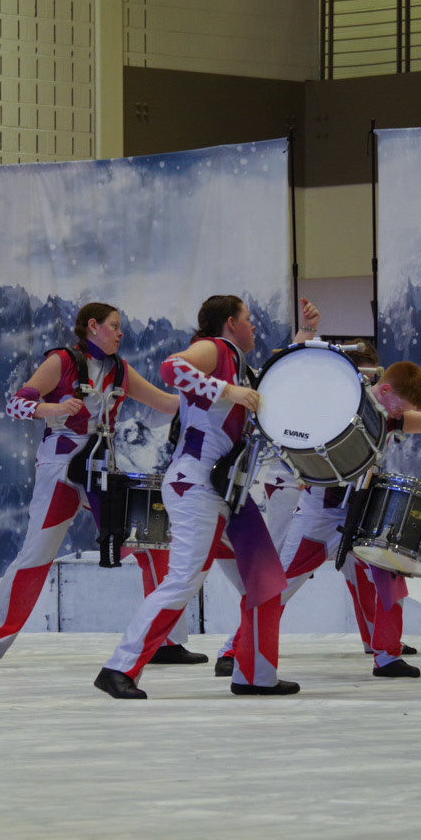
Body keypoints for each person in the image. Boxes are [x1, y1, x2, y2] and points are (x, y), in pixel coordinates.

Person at [253, 348, 421, 678]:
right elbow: (295, 430)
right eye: (400, 407)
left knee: (391, 577)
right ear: (383, 391)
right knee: (281, 584)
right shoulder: (339, 405)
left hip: (363, 511)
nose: (401, 416)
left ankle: (387, 655)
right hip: (320, 512)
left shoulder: (391, 415)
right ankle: (237, 650)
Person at [0, 302, 191, 668]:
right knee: (36, 554)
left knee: (155, 542)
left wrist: (216, 399)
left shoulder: (120, 369)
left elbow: (166, 403)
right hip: (63, 465)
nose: (120, 332)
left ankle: (166, 641)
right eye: (114, 325)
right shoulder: (62, 361)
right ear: (93, 326)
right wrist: (53, 409)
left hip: (104, 468)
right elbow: (16, 405)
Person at [95, 294, 292, 699]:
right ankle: (118, 668)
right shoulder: (215, 348)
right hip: (198, 486)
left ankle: (256, 676)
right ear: (231, 323)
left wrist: (305, 335)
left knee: (266, 582)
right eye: (248, 318)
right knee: (183, 580)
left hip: (225, 490)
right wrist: (228, 390)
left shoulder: (240, 365)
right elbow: (171, 367)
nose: (254, 325)